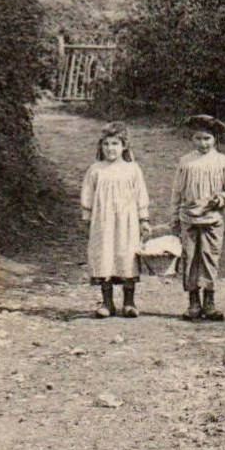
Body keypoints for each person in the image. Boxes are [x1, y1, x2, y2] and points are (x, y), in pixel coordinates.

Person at [170, 114, 225, 321]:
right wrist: (174, 217)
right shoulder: (186, 162)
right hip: (189, 219)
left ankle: (209, 301)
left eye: (207, 139)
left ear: (215, 139)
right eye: (198, 139)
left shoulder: (222, 162)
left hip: (212, 220)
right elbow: (177, 191)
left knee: (210, 257)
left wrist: (221, 199)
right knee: (190, 258)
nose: (203, 143)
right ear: (192, 139)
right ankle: (193, 302)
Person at [79, 122, 151, 318]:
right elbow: (87, 194)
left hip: (127, 222)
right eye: (107, 144)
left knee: (126, 256)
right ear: (101, 147)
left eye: (115, 144)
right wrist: (87, 217)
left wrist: (143, 219)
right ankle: (107, 302)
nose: (111, 148)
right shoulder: (96, 169)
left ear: (124, 146)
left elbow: (140, 194)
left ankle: (129, 302)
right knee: (104, 255)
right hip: (103, 221)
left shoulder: (132, 169)